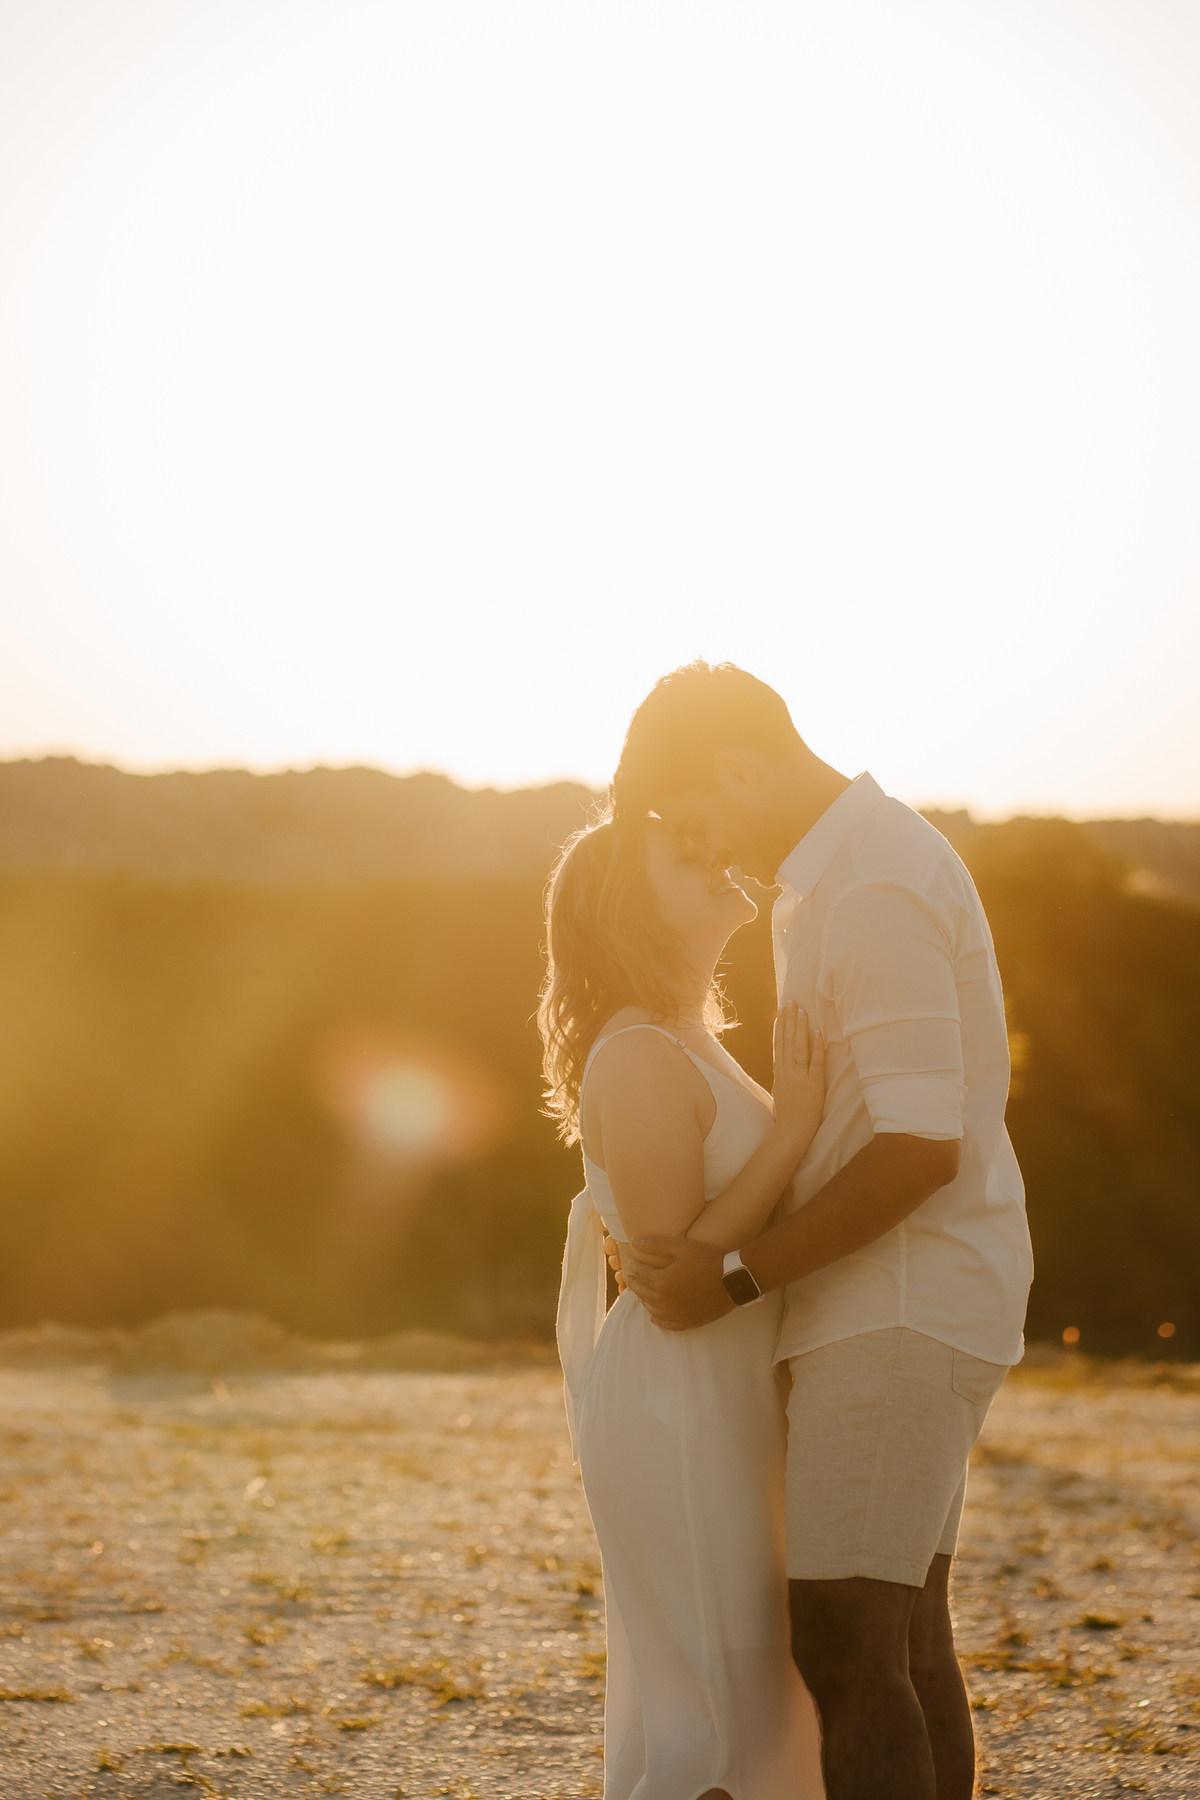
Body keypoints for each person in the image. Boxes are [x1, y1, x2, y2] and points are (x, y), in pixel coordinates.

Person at [611, 662, 1033, 1800]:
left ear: (741, 767)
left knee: (846, 1644)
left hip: (901, 1302)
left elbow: (916, 1149)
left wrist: (734, 1278)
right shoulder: (832, 880)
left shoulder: (872, 888)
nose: (710, 854)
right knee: (899, 1641)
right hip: (893, 1300)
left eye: (699, 820)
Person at [541, 812, 825, 1800]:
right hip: (680, 1403)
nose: (718, 860)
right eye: (684, 859)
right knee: (717, 1704)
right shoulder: (637, 1057)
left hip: (727, 1396)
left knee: (759, 1698)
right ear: (631, 907)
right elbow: (678, 1278)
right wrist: (792, 1132)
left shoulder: (687, 1039)